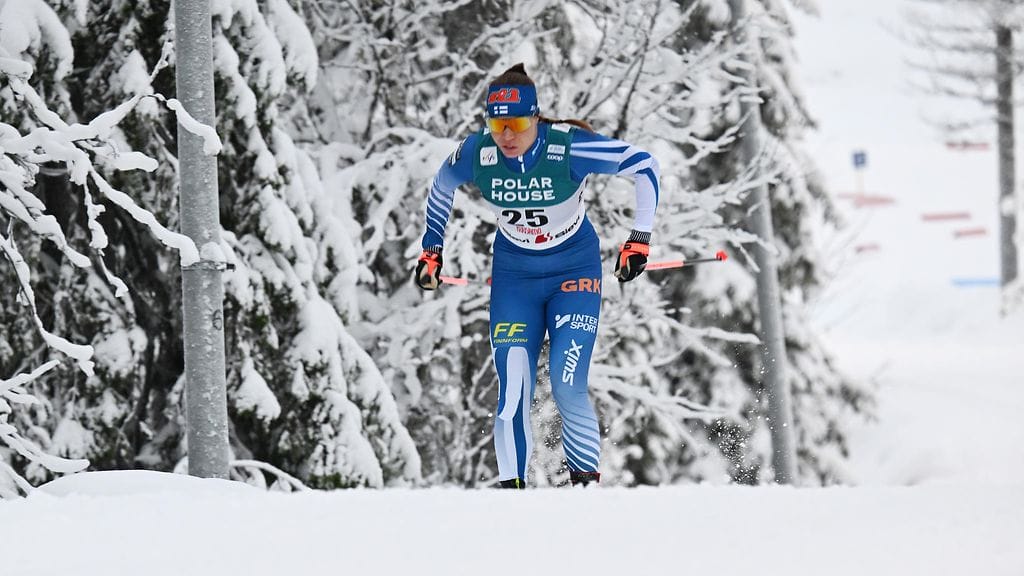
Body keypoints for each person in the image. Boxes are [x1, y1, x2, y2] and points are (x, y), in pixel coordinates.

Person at [414, 63, 660, 488]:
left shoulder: (567, 148)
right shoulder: (478, 154)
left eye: (517, 123)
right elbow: (440, 186)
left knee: (567, 385)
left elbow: (644, 164)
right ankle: (512, 494)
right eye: (496, 124)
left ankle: (585, 489)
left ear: (536, 117)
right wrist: (431, 250)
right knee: (512, 394)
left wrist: (638, 239)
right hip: (516, 278)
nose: (506, 135)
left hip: (573, 273)